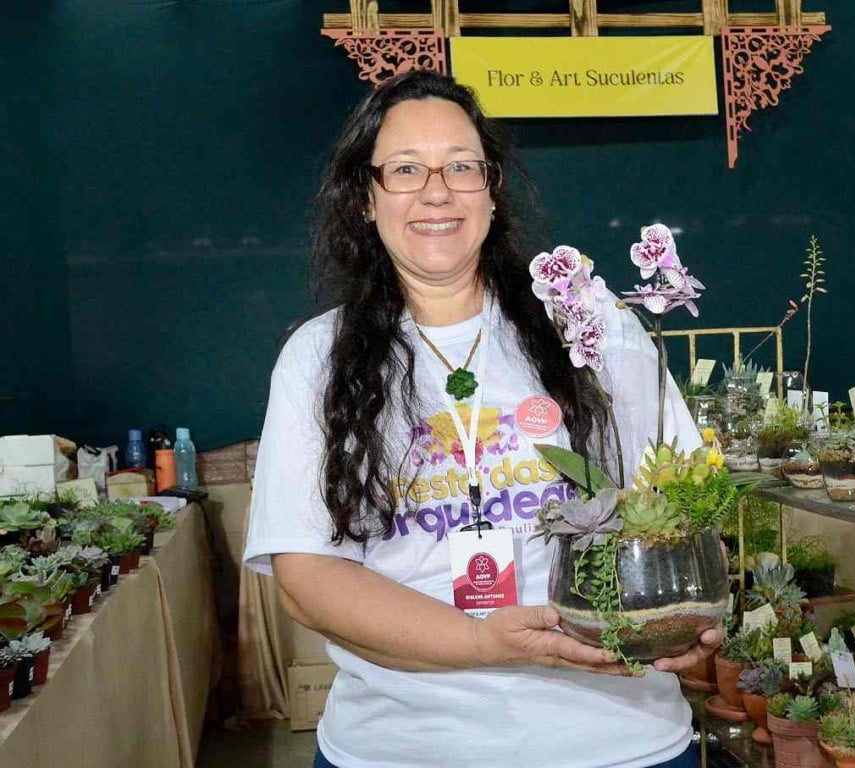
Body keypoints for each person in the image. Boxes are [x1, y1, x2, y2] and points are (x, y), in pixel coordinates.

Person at [243, 70, 722, 768]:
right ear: (366, 197)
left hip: (615, 739)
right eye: (406, 168)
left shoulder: (590, 323)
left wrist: (687, 612)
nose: (436, 191)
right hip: (403, 747)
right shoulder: (318, 357)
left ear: (492, 192)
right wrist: (482, 643)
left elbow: (682, 501)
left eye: (461, 167)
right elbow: (308, 580)